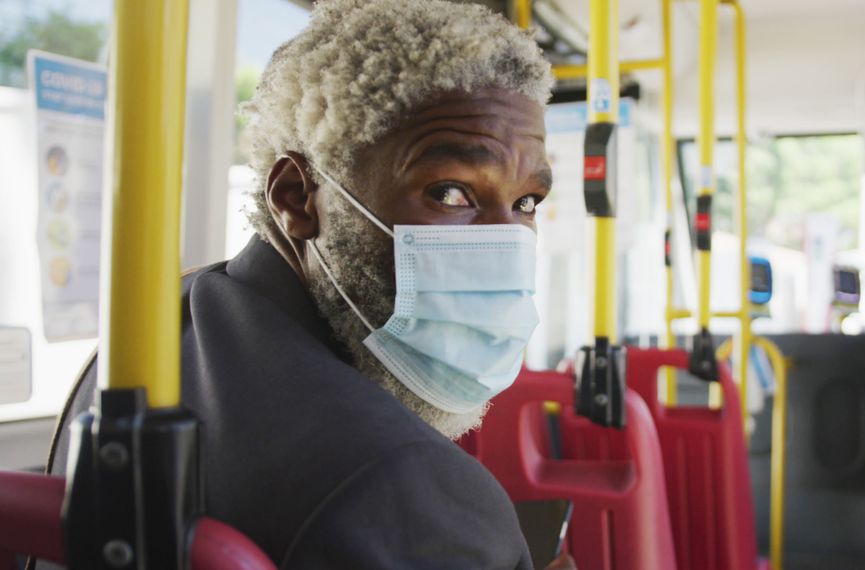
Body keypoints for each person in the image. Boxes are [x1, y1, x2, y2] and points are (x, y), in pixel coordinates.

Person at [39, 0, 572, 567]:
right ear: (296, 198)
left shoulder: (148, 340)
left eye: (525, 203)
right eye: (450, 192)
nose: (505, 245)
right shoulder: (405, 485)